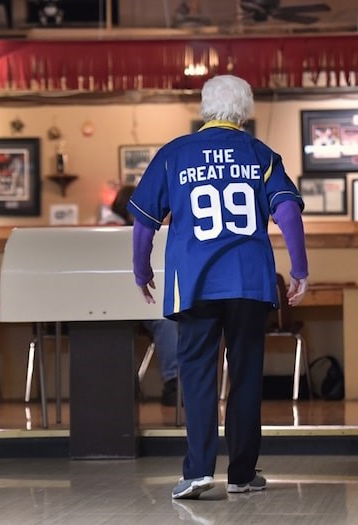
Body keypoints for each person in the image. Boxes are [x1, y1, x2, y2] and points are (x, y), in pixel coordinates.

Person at [127, 74, 309, 499]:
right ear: (245, 111)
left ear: (204, 108)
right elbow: (287, 214)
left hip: (193, 282)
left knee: (197, 376)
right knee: (245, 378)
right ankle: (243, 474)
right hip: (249, 281)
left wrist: (141, 271)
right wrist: (299, 268)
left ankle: (197, 472)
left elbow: (143, 222)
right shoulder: (261, 154)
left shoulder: (174, 154)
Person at [108, 185, 180, 407]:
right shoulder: (111, 230)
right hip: (115, 301)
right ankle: (120, 385)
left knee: (166, 320)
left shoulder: (154, 229)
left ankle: (174, 383)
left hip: (144, 300)